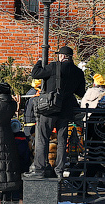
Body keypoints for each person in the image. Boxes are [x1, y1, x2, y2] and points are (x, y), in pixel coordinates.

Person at [26, 46, 86, 178]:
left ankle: (40, 170)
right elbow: (81, 92)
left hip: (50, 108)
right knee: (62, 141)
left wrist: (39, 61)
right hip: (66, 111)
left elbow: (35, 74)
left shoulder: (54, 66)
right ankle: (59, 170)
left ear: (62, 56)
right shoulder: (78, 72)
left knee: (43, 138)